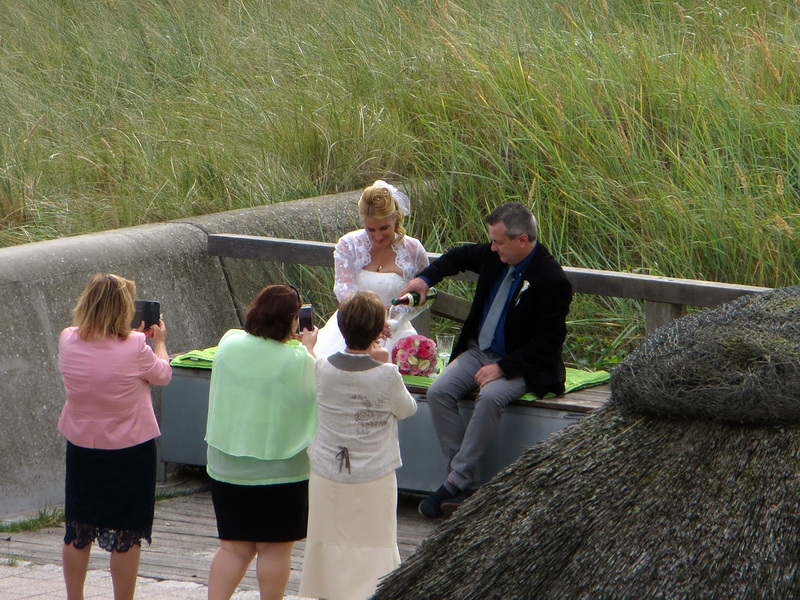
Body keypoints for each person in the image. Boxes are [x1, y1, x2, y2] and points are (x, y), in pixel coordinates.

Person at [400, 203, 573, 518]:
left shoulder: (551, 280)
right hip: (480, 350)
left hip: (523, 363)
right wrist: (425, 280)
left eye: (498, 242)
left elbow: (549, 342)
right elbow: (456, 256)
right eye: (491, 242)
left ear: (522, 240)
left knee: (491, 396)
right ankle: (465, 481)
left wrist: (502, 368)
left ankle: (453, 481)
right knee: (439, 391)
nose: (492, 248)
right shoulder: (495, 256)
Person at [57, 273, 171, 600]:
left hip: (82, 445)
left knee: (78, 528)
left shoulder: (68, 338)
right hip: (129, 450)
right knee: (126, 533)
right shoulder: (137, 346)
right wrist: (158, 342)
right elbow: (161, 374)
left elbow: (101, 356)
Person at [299, 291, 418, 600]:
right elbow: (407, 409)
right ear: (379, 331)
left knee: (328, 537)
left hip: (327, 468)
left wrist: (309, 347)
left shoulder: (322, 367)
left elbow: (316, 370)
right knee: (374, 540)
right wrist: (384, 362)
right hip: (374, 470)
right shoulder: (387, 374)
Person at [204, 284, 319, 600]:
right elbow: (313, 386)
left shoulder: (229, 342)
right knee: (274, 549)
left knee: (233, 547)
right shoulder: (297, 359)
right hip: (282, 470)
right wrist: (308, 347)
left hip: (227, 466)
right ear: (291, 321)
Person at [313, 180, 430, 358]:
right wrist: (371, 320)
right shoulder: (349, 244)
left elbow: (425, 293)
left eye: (384, 228)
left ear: (395, 217)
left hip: (395, 329)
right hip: (353, 327)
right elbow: (343, 288)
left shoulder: (413, 249)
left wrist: (395, 318)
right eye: (371, 229)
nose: (378, 236)